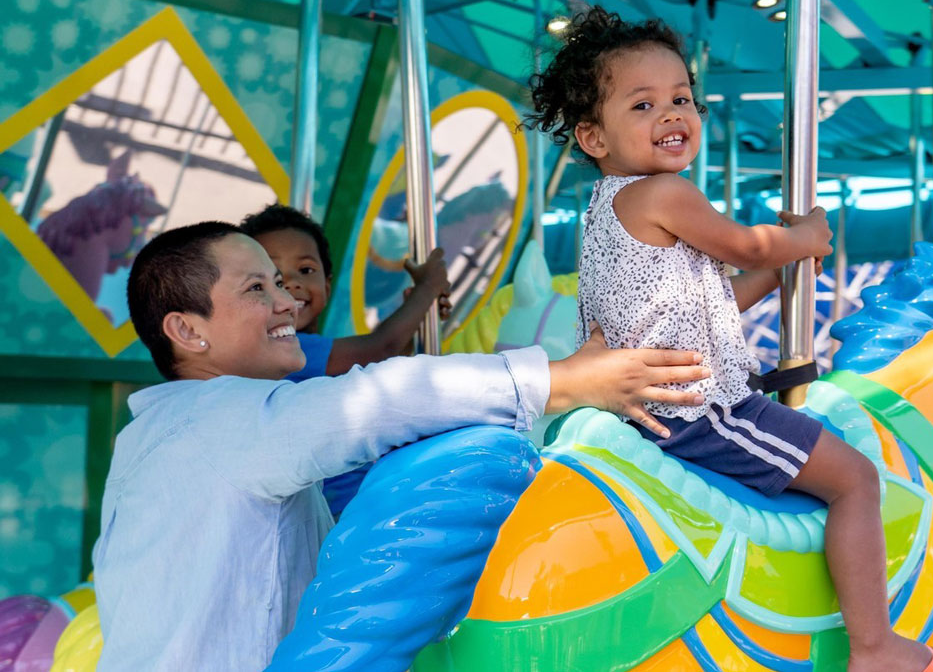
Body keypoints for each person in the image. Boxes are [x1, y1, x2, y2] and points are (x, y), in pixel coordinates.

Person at [525, 8, 933, 672]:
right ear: (593, 135)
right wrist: (800, 239)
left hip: (651, 404)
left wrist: (778, 275)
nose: (670, 114)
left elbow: (709, 296)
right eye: (642, 104)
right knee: (858, 479)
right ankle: (874, 645)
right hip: (702, 411)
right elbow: (744, 241)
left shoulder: (605, 210)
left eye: (681, 98)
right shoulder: (665, 191)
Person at [92, 221, 709, 670]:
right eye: (257, 289)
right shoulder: (215, 419)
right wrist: (562, 378)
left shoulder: (160, 431)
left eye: (283, 282)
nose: (287, 302)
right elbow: (375, 401)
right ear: (187, 331)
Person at [241, 204, 451, 514]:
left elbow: (381, 364)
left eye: (306, 270)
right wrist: (427, 289)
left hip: (357, 499)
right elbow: (381, 349)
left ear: (327, 284)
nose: (292, 283)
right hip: (340, 510)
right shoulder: (282, 351)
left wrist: (417, 313)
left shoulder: (315, 351)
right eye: (273, 278)